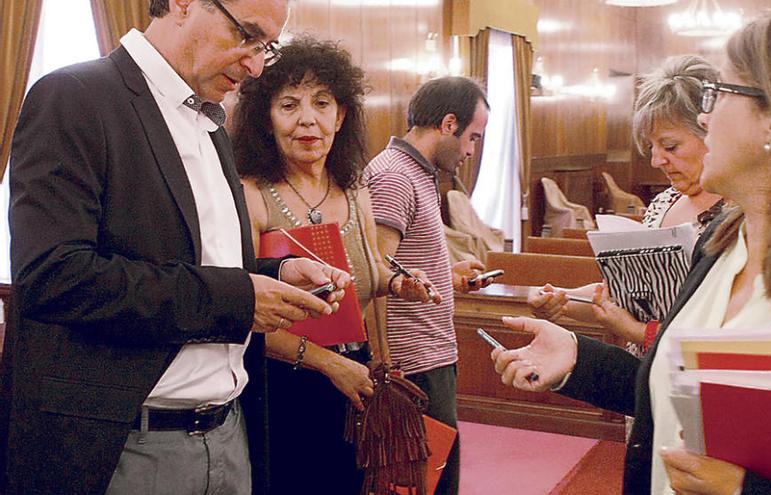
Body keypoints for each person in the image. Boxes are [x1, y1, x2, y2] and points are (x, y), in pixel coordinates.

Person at [493, 6, 771, 494]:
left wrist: (748, 490)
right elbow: (678, 401)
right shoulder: (721, 244)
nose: (704, 114)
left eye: (720, 93)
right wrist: (577, 358)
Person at [0, 1, 353, 494]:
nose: (254, 66)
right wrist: (239, 297)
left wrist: (276, 275)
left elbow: (197, 261)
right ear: (184, 4)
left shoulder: (210, 125)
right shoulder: (76, 96)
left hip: (230, 433)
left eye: (265, 48)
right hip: (125, 444)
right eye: (245, 36)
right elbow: (54, 276)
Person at [233, 36, 440, 494]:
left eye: (322, 104)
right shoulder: (251, 194)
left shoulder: (354, 188)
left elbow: (372, 273)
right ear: (266, 120)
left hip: (357, 376)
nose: (307, 119)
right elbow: (243, 308)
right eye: (289, 105)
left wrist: (401, 283)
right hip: (282, 387)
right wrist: (328, 364)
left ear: (340, 116)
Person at [529, 55, 723, 357]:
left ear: (712, 132)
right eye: (651, 147)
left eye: (670, 147)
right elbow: (624, 297)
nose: (657, 160)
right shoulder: (663, 202)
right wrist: (563, 300)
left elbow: (724, 335)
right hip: (639, 376)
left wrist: (636, 332)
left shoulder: (741, 215)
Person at [365, 76, 493, 495]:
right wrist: (383, 366)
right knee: (424, 485)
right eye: (472, 137)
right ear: (449, 124)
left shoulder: (415, 172)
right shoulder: (394, 176)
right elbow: (375, 275)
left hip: (428, 354)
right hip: (411, 364)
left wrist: (448, 277)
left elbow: (403, 267)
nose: (471, 151)